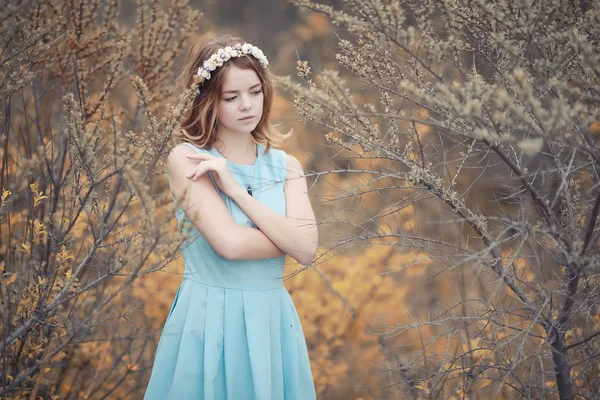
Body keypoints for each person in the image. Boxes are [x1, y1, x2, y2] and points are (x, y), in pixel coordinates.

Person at [143, 33, 319, 400]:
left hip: (272, 321)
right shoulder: (187, 159)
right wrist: (286, 236)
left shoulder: (287, 167)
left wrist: (236, 191)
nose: (247, 105)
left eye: (255, 91)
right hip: (210, 320)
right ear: (209, 101)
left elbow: (307, 249)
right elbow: (231, 245)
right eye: (232, 96)